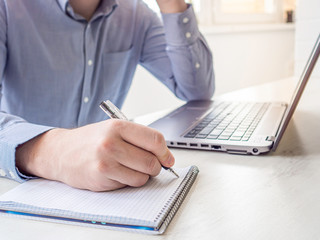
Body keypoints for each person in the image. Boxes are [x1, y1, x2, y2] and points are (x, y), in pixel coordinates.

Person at [0, 0, 214, 191]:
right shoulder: (8, 7)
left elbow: (197, 90)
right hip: (17, 188)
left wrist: (172, 4)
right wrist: (54, 153)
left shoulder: (136, 14)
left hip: (105, 190)